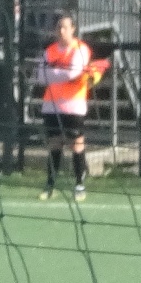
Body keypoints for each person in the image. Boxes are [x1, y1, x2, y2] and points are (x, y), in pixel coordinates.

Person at [36, 14, 93, 202]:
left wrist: (53, 73)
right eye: (59, 27)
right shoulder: (50, 51)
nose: (61, 31)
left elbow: (73, 73)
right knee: (54, 144)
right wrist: (60, 73)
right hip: (51, 105)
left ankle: (79, 185)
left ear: (73, 29)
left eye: (65, 27)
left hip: (74, 105)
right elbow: (41, 77)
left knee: (76, 144)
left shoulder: (81, 49)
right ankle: (50, 185)